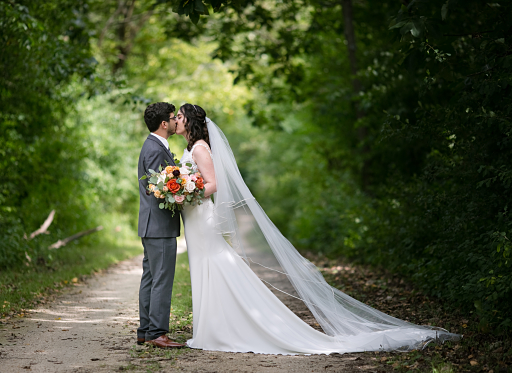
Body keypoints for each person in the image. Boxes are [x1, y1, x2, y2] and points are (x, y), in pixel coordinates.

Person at [174, 103, 461, 354]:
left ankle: (226, 328)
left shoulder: (200, 148)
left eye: (180, 115)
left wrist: (186, 192)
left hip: (202, 216)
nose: (176, 118)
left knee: (216, 266)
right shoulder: (190, 148)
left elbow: (213, 185)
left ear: (191, 122)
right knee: (204, 267)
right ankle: (210, 328)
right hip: (196, 218)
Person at [136, 102, 185, 348]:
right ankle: (157, 333)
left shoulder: (152, 146)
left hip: (151, 226)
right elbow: (160, 189)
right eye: (173, 118)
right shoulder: (155, 149)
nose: (177, 121)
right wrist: (185, 190)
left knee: (151, 277)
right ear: (164, 124)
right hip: (159, 226)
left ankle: (145, 330)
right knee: (161, 279)